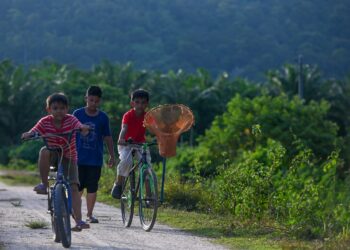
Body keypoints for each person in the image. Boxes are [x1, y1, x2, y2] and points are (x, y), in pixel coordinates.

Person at [21, 92, 91, 231]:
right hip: (52, 154)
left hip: (69, 156)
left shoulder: (71, 120)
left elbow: (80, 126)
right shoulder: (44, 121)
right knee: (44, 151)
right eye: (55, 108)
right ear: (49, 109)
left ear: (67, 109)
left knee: (74, 187)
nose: (59, 111)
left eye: (62, 108)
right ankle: (44, 184)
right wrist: (28, 134)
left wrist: (83, 129)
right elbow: (34, 131)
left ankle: (79, 220)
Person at [73, 86, 115, 223]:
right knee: (77, 187)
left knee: (92, 187)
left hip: (95, 160)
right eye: (91, 100)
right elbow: (70, 133)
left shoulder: (103, 117)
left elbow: (108, 137)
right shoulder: (77, 114)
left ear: (100, 101)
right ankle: (76, 212)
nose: (93, 103)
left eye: (96, 101)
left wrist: (112, 155)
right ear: (86, 98)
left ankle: (89, 214)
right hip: (78, 158)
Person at [111, 89, 151, 199]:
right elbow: (124, 128)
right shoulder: (128, 115)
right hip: (126, 143)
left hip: (140, 144)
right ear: (132, 103)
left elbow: (154, 129)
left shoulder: (147, 116)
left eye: (143, 102)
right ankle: (118, 183)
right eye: (137, 102)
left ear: (147, 104)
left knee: (147, 167)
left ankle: (149, 197)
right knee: (126, 161)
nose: (140, 105)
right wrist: (121, 139)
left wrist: (161, 138)